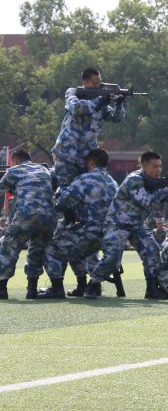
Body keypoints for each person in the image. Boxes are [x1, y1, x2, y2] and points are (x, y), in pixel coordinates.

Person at [86, 150, 168, 299]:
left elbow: (163, 201)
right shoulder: (134, 179)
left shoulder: (155, 181)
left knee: (152, 251)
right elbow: (145, 200)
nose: (158, 170)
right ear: (144, 166)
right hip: (118, 223)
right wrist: (166, 190)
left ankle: (151, 289)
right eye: (154, 166)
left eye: (160, 166)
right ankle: (93, 284)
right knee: (112, 259)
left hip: (137, 225)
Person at [40, 148, 119, 298]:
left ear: (90, 162)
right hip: (108, 234)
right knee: (75, 250)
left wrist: (57, 193)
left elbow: (62, 204)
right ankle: (83, 286)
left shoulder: (84, 179)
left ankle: (57, 289)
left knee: (50, 250)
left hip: (88, 232)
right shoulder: (113, 182)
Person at [50, 67, 127, 188]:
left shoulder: (101, 102)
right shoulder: (73, 92)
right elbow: (76, 108)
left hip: (86, 158)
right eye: (95, 83)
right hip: (66, 155)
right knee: (67, 190)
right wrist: (101, 100)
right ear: (85, 83)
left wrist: (119, 104)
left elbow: (115, 118)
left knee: (84, 191)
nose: (99, 85)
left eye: (100, 82)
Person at [0, 149, 56, 300]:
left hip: (27, 215)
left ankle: (1, 288)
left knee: (8, 246)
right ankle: (32, 290)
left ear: (15, 161)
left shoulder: (14, 170)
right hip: (49, 218)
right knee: (36, 250)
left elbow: (1, 188)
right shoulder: (44, 170)